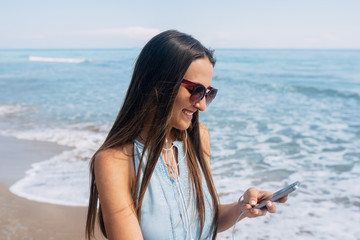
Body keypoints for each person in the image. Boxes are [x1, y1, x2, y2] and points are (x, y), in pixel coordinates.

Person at [85, 30, 288, 240]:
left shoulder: (198, 138)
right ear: (159, 82)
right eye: (196, 90)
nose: (202, 105)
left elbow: (205, 220)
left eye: (208, 93)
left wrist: (242, 208)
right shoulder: (114, 162)